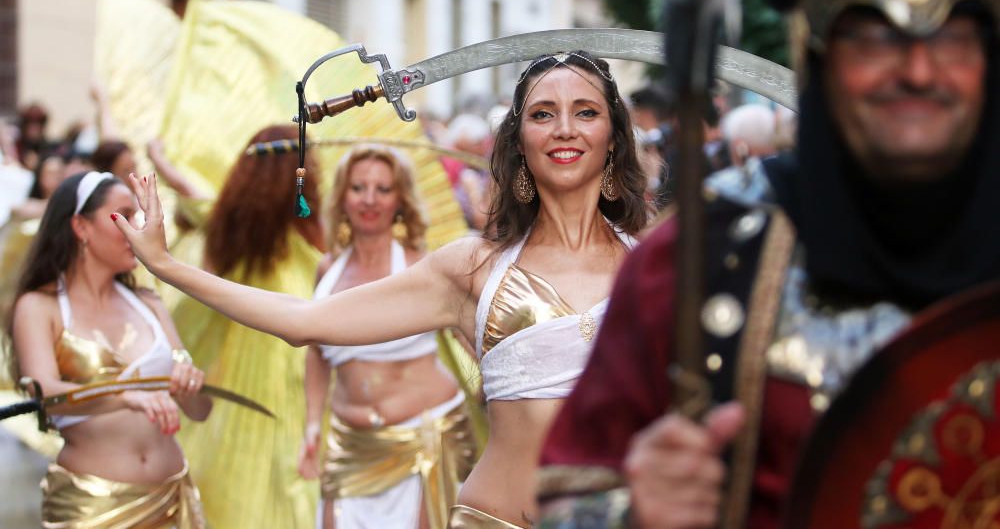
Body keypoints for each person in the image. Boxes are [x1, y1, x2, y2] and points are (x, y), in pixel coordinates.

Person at [534, 0, 1000, 527]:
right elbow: (565, 500)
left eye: (951, 37)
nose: (919, 71)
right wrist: (635, 513)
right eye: (874, 37)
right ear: (818, 51)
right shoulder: (701, 260)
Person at [112, 50, 649, 527]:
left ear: (613, 138)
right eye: (541, 113)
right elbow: (304, 322)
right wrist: (166, 266)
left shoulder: (652, 265)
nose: (564, 128)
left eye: (585, 111)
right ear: (520, 144)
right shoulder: (471, 269)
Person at [5, 171, 212, 527]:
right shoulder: (40, 307)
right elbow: (46, 395)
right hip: (94, 506)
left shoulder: (148, 302)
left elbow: (200, 410)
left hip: (173, 499)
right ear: (81, 227)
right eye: (124, 216)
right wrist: (125, 395)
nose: (137, 227)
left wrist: (190, 384)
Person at [299, 144, 475, 529]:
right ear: (343, 196)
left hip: (427, 437)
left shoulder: (420, 267)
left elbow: (470, 335)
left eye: (383, 189)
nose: (370, 199)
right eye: (359, 187)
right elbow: (316, 352)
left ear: (400, 200)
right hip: (350, 445)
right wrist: (313, 423)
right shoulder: (327, 270)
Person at [169, 124, 326, 529]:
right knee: (290, 486)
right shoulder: (310, 242)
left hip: (247, 384)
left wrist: (159, 158)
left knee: (240, 482)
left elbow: (192, 195)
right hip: (290, 383)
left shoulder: (231, 235)